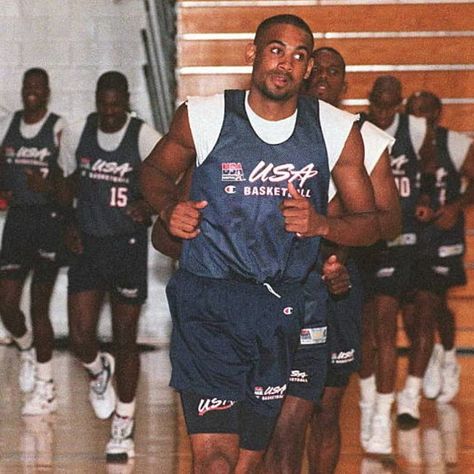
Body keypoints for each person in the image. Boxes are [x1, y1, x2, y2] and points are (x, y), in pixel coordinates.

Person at [141, 14, 380, 473]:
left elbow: (371, 225)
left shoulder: (335, 130)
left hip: (281, 307)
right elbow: (152, 171)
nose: (285, 64)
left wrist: (321, 225)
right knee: (215, 461)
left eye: (299, 55)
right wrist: (170, 206)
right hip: (208, 300)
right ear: (252, 54)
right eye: (276, 50)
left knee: (251, 461)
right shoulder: (205, 115)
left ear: (308, 69)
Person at [263, 47, 400, 474]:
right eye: (315, 68)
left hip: (337, 286)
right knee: (276, 415)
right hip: (276, 284)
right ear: (302, 76)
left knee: (326, 407)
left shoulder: (368, 139)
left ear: (345, 84)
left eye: (333, 70)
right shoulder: (268, 130)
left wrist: (333, 225)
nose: (323, 76)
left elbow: (390, 224)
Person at [56, 71, 161, 461]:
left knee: (125, 338)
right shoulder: (78, 133)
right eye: (105, 103)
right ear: (97, 100)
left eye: (117, 104)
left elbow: (173, 174)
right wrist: (67, 220)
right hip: (88, 244)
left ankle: (124, 422)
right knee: (81, 336)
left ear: (126, 101)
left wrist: (149, 205)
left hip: (127, 246)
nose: (111, 111)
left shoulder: (143, 135)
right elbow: (63, 180)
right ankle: (99, 371)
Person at [357, 76, 436, 454]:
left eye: (392, 105)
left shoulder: (416, 129)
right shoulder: (356, 128)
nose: (384, 111)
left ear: (400, 104)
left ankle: (381, 414)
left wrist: (424, 195)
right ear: (370, 101)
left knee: (387, 325)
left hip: (399, 240)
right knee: (363, 333)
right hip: (363, 237)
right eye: (379, 104)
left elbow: (433, 165)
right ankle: (367, 397)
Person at [0, 68, 67, 415]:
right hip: (17, 221)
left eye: (38, 87)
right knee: (7, 303)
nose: (32, 92)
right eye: (28, 86)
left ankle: (46, 385)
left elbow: (71, 184)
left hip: (48, 222)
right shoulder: (9, 126)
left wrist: (51, 188)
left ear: (47, 91)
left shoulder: (59, 128)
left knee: (39, 307)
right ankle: (25, 347)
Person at [403, 91, 474, 404]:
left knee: (433, 301)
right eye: (414, 111)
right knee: (410, 305)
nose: (420, 117)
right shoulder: (400, 144)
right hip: (408, 235)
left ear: (438, 112)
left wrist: (456, 206)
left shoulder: (454, 143)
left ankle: (446, 354)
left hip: (442, 235)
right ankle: (428, 353)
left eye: (426, 110)